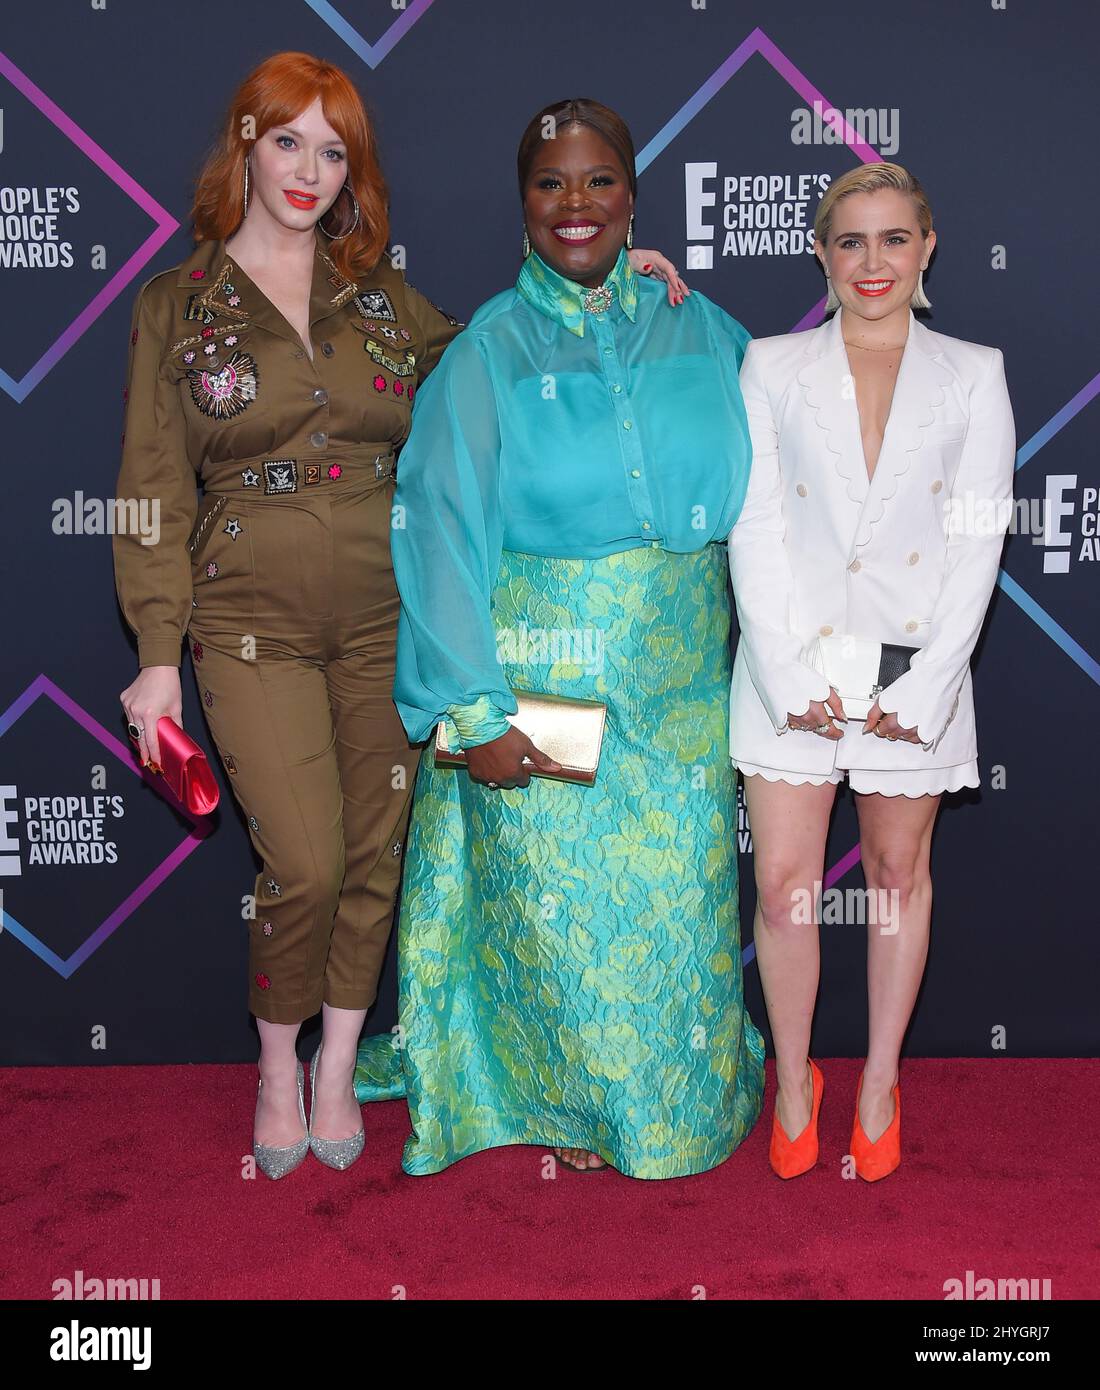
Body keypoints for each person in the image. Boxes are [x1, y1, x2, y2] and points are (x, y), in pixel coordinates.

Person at [113, 56, 685, 1179]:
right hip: (246, 625)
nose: (308, 172)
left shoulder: (383, 301)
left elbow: (503, 353)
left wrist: (606, 280)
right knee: (309, 863)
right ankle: (276, 1065)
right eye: (288, 143)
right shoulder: (175, 307)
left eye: (333, 152)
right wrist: (152, 656)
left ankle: (336, 1066)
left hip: (384, 621)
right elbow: (148, 489)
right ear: (246, 147)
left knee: (374, 853)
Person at [355, 98, 765, 1178]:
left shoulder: (697, 322)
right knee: (564, 923)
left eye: (598, 181)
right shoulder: (488, 348)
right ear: (521, 203)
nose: (575, 204)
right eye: (550, 183)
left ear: (632, 195)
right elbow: (437, 527)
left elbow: (788, 420)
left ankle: (671, 1106)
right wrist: (470, 709)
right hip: (549, 690)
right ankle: (566, 1112)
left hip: (680, 689)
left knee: (676, 916)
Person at [726, 162, 1015, 1180]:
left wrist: (926, 686)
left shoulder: (972, 373)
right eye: (849, 241)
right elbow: (752, 523)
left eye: (892, 239)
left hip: (911, 676)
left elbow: (978, 538)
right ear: (820, 253)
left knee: (896, 878)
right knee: (783, 887)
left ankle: (881, 1078)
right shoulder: (767, 367)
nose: (871, 261)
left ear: (926, 246)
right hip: (790, 672)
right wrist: (776, 670)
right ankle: (795, 1077)